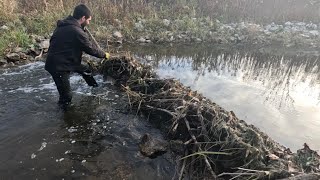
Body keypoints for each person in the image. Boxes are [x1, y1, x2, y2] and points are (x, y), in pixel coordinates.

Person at [45, 4, 110, 107]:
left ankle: (94, 88)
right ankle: (66, 119)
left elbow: (85, 43)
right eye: (88, 20)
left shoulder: (65, 25)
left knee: (86, 70)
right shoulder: (76, 31)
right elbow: (90, 49)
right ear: (83, 18)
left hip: (67, 60)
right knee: (66, 97)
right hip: (58, 66)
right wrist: (104, 55)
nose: (88, 23)